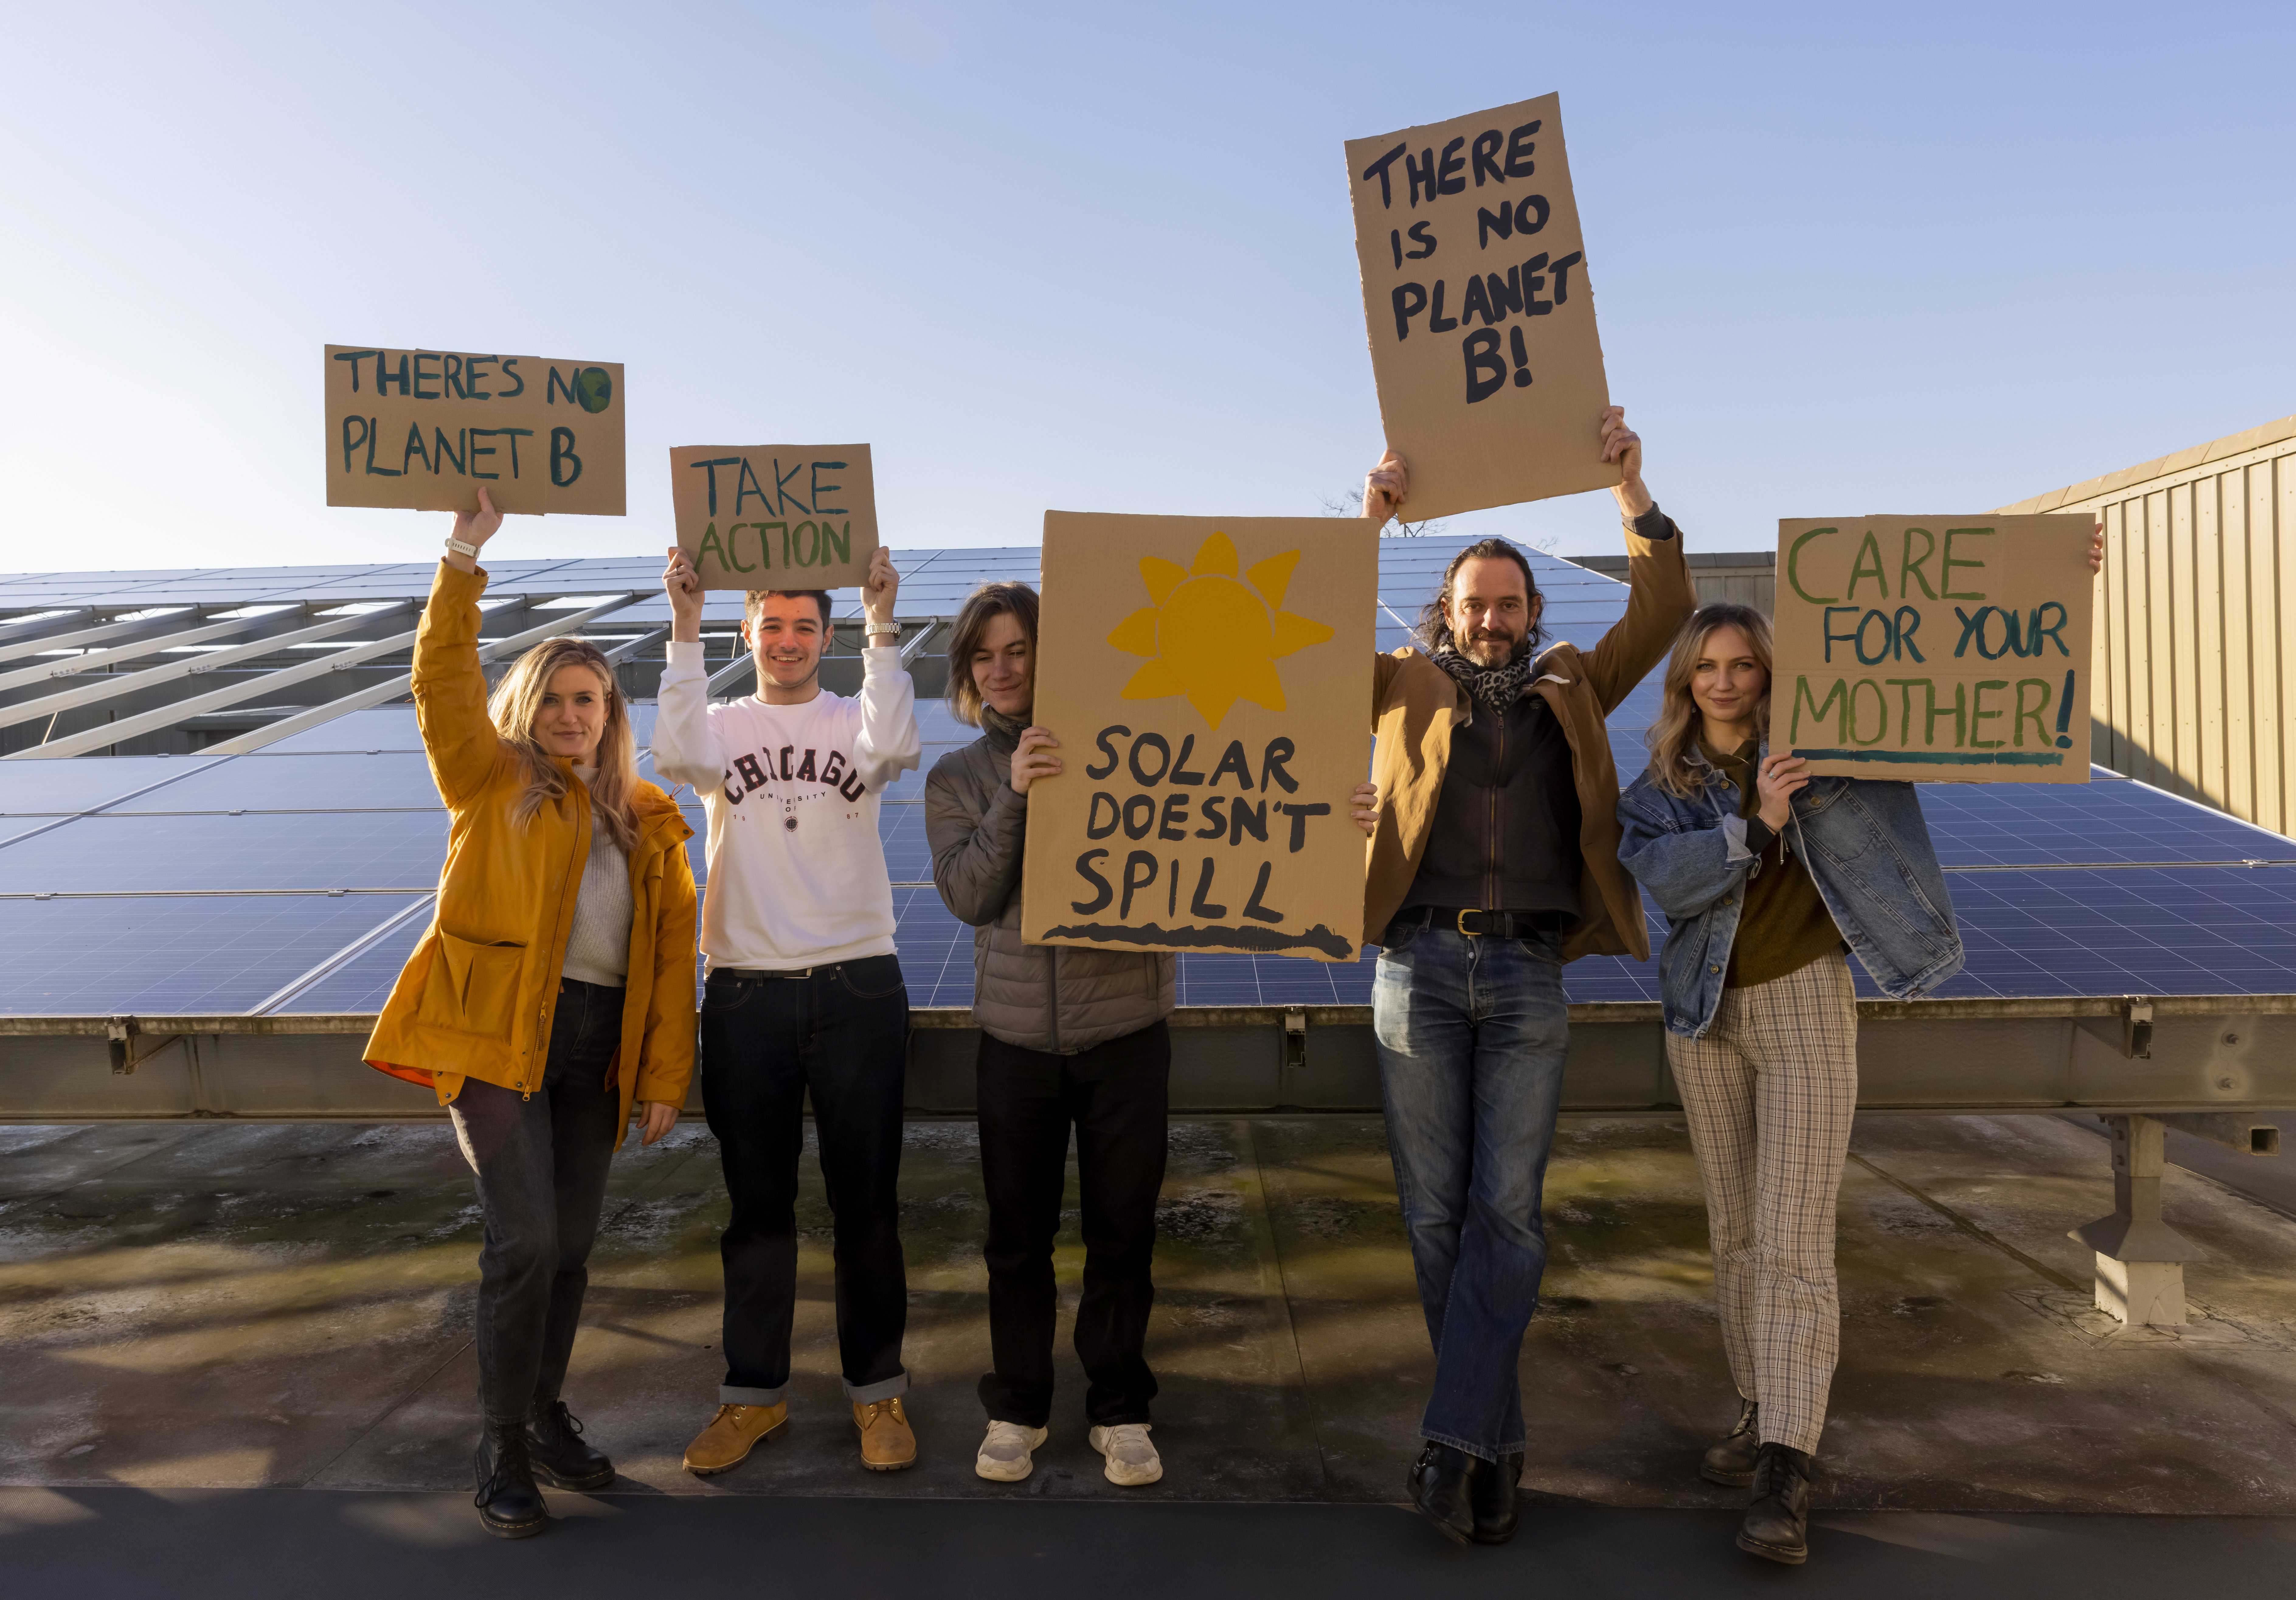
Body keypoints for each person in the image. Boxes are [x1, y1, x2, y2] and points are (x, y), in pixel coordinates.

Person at [1617, 532, 2100, 1566]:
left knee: (1793, 1238)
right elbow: (1667, 884)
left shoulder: (1839, 747)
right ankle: (1757, 1408)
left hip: (1802, 1005)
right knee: (1737, 1229)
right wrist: (1756, 821)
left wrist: (2060, 585)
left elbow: (1959, 702)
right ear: (1683, 681)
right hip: (1702, 1019)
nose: (1726, 682)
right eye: (1707, 667)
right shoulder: (1660, 785)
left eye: (1743, 664)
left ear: (1770, 674)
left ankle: (1789, 1464)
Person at [923, 580, 1379, 1487]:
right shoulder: (956, 779)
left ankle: (1120, 1406)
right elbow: (970, 895)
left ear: (1053, 657)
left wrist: (1340, 813)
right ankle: (1016, 1406)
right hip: (1015, 1043)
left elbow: (1243, 794)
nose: (1004, 669)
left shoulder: (1135, 750)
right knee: (1016, 1239)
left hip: (1126, 1033)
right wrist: (1017, 796)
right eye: (986, 656)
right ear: (969, 673)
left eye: (1020, 650)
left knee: (1122, 1233)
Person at [1355, 407, 1696, 1546]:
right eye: (1474, 604)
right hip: (1415, 966)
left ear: (1535, 611)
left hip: (1527, 973)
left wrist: (1631, 493)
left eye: (1509, 603)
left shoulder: (1574, 688)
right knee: (1434, 1217)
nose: (1492, 620)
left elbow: (1667, 607)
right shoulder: (1400, 683)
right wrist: (1371, 518)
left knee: (1509, 1214)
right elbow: (1297, 642)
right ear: (1446, 612)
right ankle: (1490, 1448)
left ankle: (1453, 1442)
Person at [363, 485, 698, 1540]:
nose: (571, 715)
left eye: (588, 700)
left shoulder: (649, 824)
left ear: (612, 717)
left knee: (574, 1244)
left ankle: (547, 1414)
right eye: (554, 697)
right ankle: (502, 1440)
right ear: (529, 709)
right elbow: (441, 683)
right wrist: (464, 557)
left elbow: (669, 965)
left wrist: (659, 1078)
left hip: (596, 1049)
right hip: (502, 1037)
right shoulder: (490, 779)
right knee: (525, 1241)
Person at [653, 542, 923, 1476]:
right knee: (757, 1209)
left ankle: (877, 1395)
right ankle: (752, 1398)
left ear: (828, 636)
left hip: (858, 986)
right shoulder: (720, 726)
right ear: (749, 632)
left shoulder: (858, 717)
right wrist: (685, 627)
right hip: (745, 994)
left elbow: (899, 747)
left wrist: (883, 625)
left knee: (868, 1207)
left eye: (806, 627)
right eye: (771, 625)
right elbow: (673, 750)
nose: (788, 641)